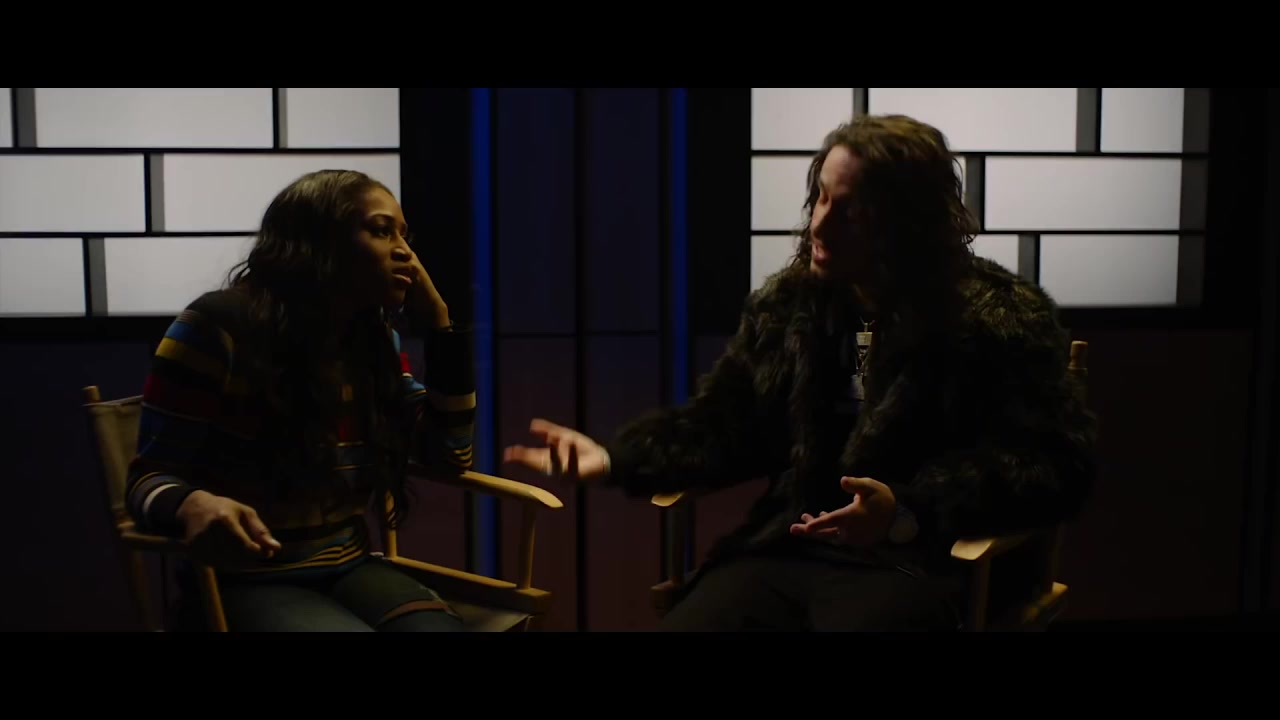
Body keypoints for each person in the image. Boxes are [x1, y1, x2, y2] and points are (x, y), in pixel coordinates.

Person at [503, 114, 1097, 631]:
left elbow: (1052, 464)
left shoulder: (995, 320)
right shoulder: (792, 308)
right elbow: (726, 424)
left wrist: (905, 509)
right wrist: (615, 459)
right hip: (791, 546)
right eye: (821, 199)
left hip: (920, 561)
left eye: (851, 212)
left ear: (908, 224)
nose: (819, 226)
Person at [125, 169, 475, 632]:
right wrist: (193, 505)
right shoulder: (217, 327)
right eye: (380, 230)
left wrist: (441, 327)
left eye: (404, 236)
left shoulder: (372, 342)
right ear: (318, 242)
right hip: (244, 576)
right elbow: (146, 481)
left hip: (348, 564)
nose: (405, 253)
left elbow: (452, 454)